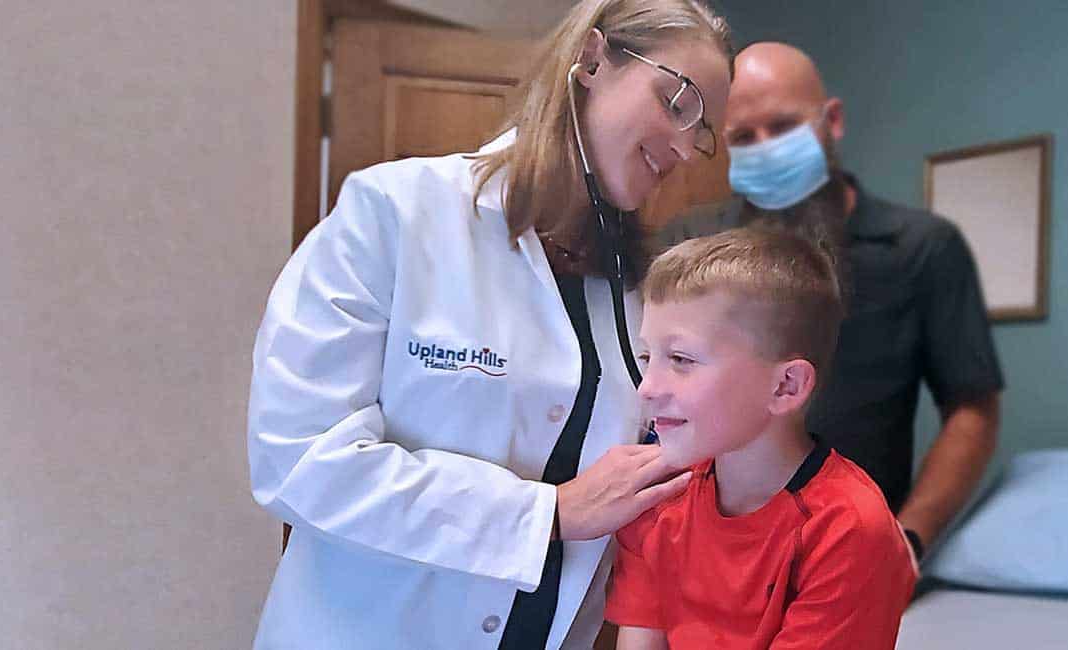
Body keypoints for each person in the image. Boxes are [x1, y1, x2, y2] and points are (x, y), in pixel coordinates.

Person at [247, 1, 732, 648]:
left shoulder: (641, 290)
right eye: (676, 102)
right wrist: (547, 514)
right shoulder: (397, 213)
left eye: (701, 134)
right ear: (590, 60)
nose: (682, 147)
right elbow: (300, 461)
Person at [664, 41, 1003, 562]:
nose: (766, 148)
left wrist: (906, 543)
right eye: (744, 138)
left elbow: (973, 409)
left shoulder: (922, 249)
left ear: (833, 120)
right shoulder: (695, 245)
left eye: (782, 128)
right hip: (710, 554)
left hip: (853, 554)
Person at [605, 227, 918, 649]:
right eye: (647, 357)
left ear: (785, 386)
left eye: (680, 359)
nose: (647, 387)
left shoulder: (849, 530)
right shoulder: (658, 500)